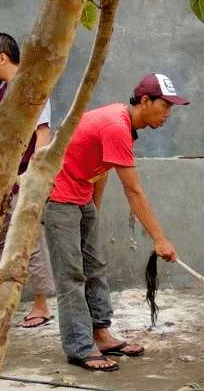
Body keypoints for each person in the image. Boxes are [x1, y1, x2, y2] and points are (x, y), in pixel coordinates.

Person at [44, 73, 188, 372]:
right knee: (71, 275)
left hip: (80, 195)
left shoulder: (123, 125)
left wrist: (91, 210)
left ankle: (100, 333)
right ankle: (80, 348)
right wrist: (159, 239)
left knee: (94, 266)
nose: (168, 114)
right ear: (145, 101)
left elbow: (102, 167)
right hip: (57, 196)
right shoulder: (116, 125)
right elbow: (133, 191)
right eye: (165, 106)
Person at [0, 32, 56, 328]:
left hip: (23, 180)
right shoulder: (0, 93)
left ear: (2, 57)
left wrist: (31, 178)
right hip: (2, 180)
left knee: (29, 241)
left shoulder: (32, 88)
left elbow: (44, 134)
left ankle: (41, 305)